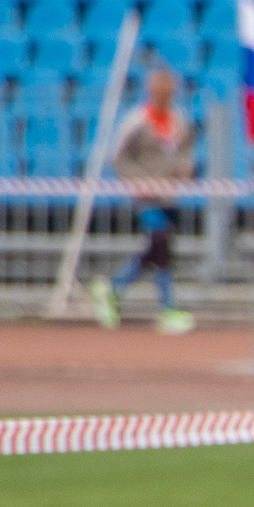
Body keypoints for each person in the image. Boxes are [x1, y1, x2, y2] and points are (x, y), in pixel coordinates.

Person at [90, 63, 198, 335]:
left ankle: (114, 289)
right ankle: (167, 307)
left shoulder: (179, 121)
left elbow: (185, 152)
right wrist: (137, 181)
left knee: (159, 247)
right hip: (144, 194)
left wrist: (184, 170)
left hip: (169, 193)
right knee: (159, 239)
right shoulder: (137, 120)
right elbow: (119, 157)